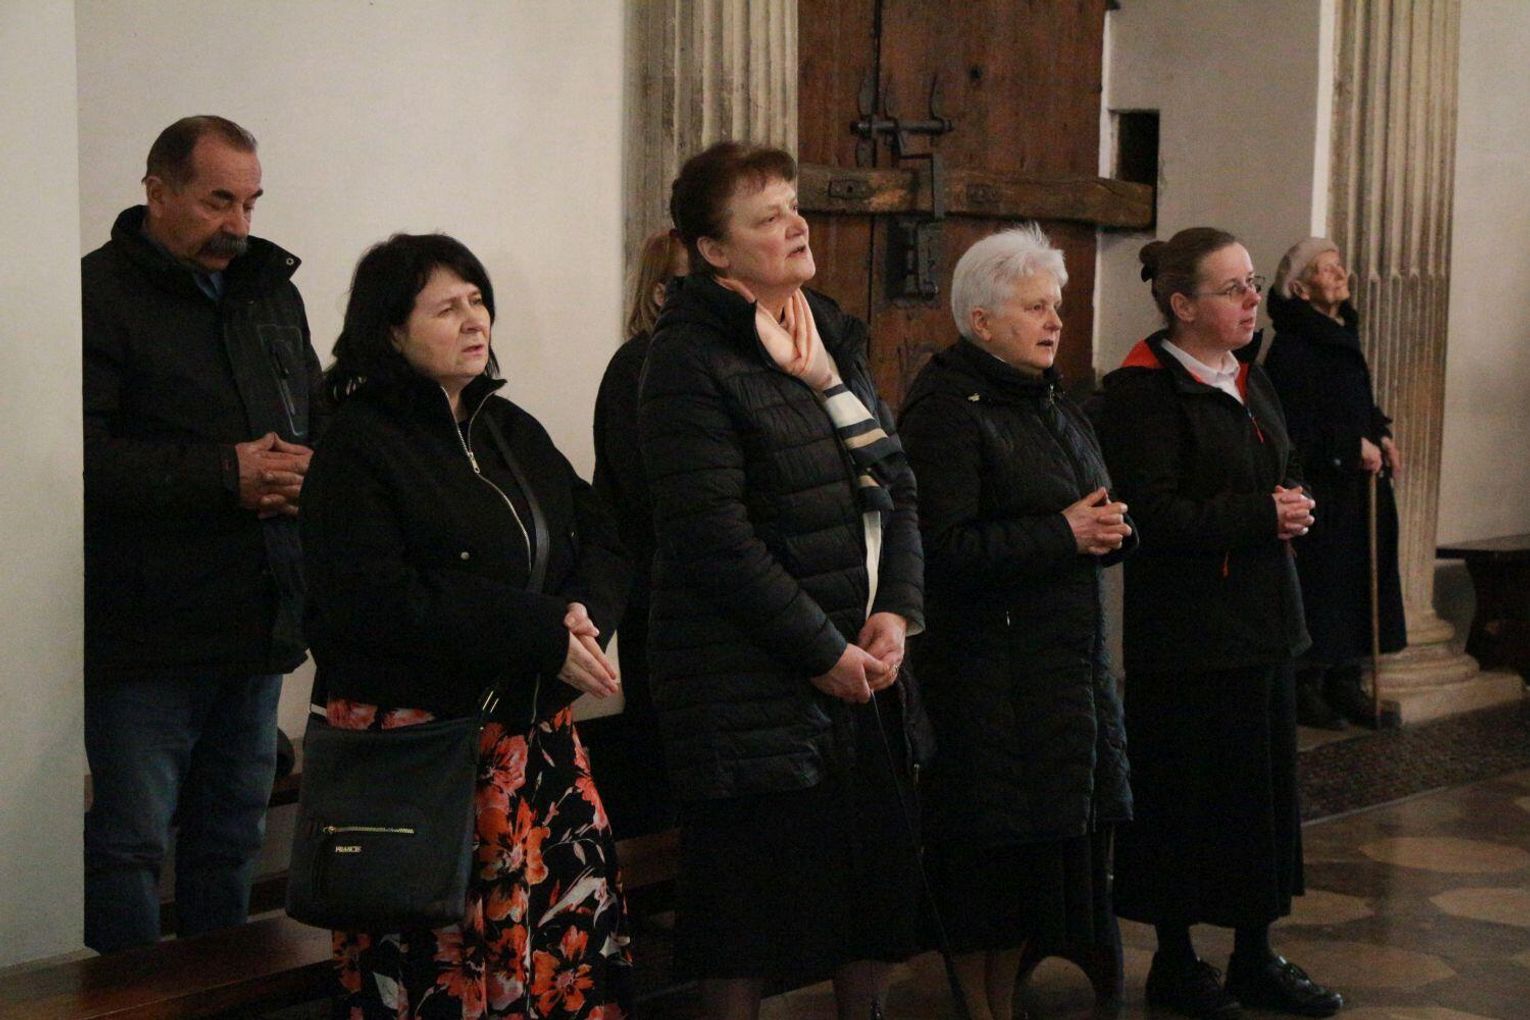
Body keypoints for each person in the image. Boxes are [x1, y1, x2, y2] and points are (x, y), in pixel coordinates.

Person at [301, 234, 632, 1018]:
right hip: (423, 756)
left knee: (561, 962)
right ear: (391, 331)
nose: (473, 318)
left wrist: (583, 619)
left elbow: (601, 535)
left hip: (536, 747)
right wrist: (542, 628)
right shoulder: (358, 442)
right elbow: (378, 598)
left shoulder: (508, 427)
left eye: (477, 299)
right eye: (446, 307)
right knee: (442, 976)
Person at [639, 141, 928, 1020]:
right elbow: (712, 537)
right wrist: (820, 652)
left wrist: (895, 612)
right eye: (769, 217)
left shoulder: (827, 339)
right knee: (745, 916)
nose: (797, 224)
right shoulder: (688, 360)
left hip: (858, 664)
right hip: (742, 682)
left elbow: (896, 482)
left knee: (868, 895)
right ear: (714, 250)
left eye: (794, 205)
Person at [81, 115, 323, 953]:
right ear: (157, 192)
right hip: (145, 629)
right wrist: (228, 473)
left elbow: (313, 417)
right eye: (219, 201)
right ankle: (134, 1005)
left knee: (231, 837)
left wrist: (310, 472)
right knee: (132, 844)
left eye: (251, 203)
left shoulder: (270, 291)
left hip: (257, 615)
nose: (239, 225)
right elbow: (76, 461)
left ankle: (224, 1000)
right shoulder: (97, 294)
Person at [1096, 227, 1342, 1019]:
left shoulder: (1246, 375)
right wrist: (1260, 515)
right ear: (1182, 304)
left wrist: (1294, 501)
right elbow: (1152, 514)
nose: (1250, 300)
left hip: (1265, 624)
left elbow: (1284, 465)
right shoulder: (1142, 392)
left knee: (1257, 804)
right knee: (1186, 802)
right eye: (1232, 288)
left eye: (1252, 284)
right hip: (1189, 639)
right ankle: (1175, 963)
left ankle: (1253, 956)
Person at [899, 224, 1135, 1020]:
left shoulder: (1048, 399)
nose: (1054, 321)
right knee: (986, 873)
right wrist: (1063, 534)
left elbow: (1083, 502)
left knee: (1032, 875)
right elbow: (939, 549)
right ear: (982, 320)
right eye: (1034, 307)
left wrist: (1110, 529)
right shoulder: (945, 410)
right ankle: (980, 1007)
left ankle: (1002, 1003)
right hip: (986, 682)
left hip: (1057, 676)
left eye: (1055, 305)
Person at [1264, 238, 1406, 728]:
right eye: (1326, 269)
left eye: (1339, 265)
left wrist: (1380, 434)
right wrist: (1350, 446)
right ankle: (1309, 686)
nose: (1341, 274)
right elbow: (1294, 425)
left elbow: (1355, 404)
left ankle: (1348, 681)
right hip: (1325, 489)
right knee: (1325, 586)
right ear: (1301, 289)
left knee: (1359, 583)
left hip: (1357, 487)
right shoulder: (1293, 348)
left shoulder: (1342, 334)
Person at [583, 229, 690, 838]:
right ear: (659, 293)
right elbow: (652, 495)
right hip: (659, 596)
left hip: (689, 592)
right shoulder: (636, 368)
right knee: (662, 759)